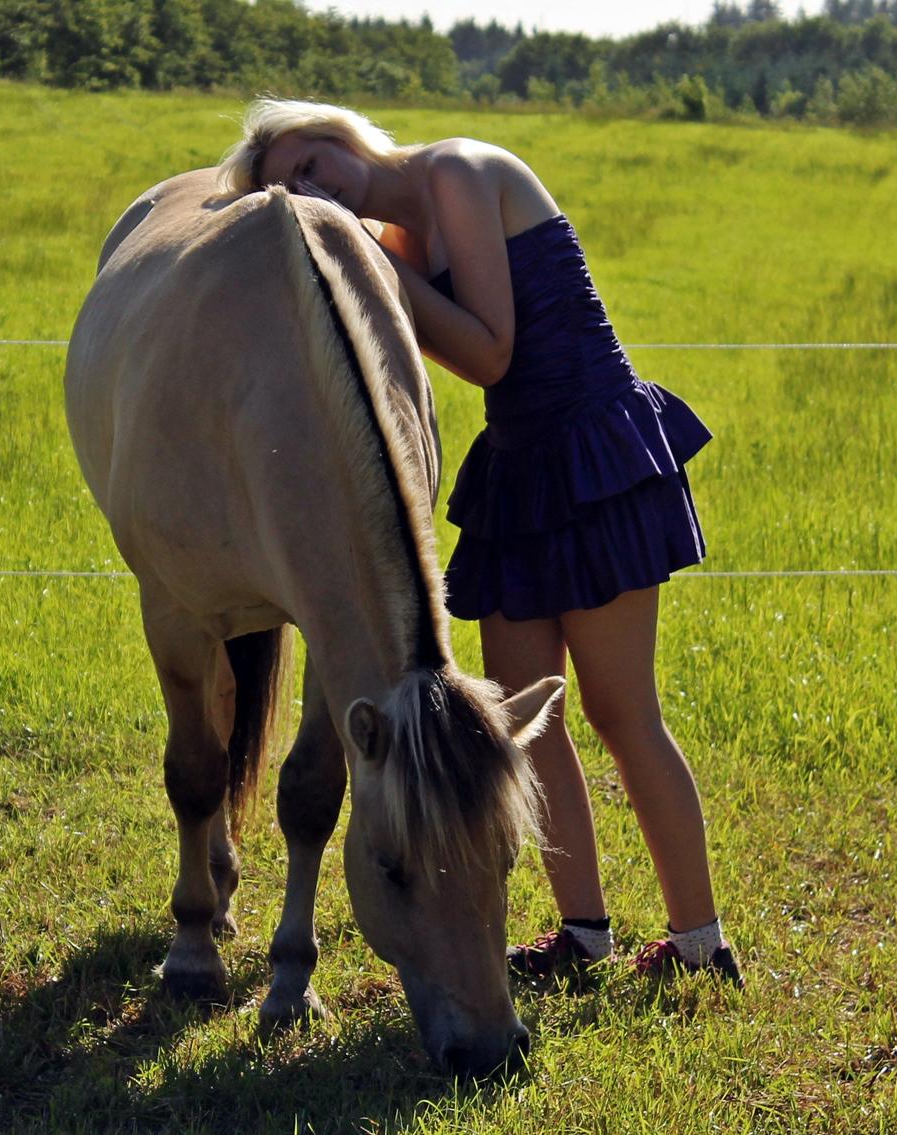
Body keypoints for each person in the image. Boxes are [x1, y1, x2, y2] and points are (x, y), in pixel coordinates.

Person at [219, 99, 742, 987]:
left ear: (338, 133)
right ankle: (584, 935)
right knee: (523, 726)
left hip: (593, 452)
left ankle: (701, 946)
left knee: (624, 714)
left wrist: (373, 263)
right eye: (293, 190)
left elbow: (493, 352)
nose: (313, 189)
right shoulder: (404, 232)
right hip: (520, 467)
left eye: (308, 164)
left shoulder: (456, 170)